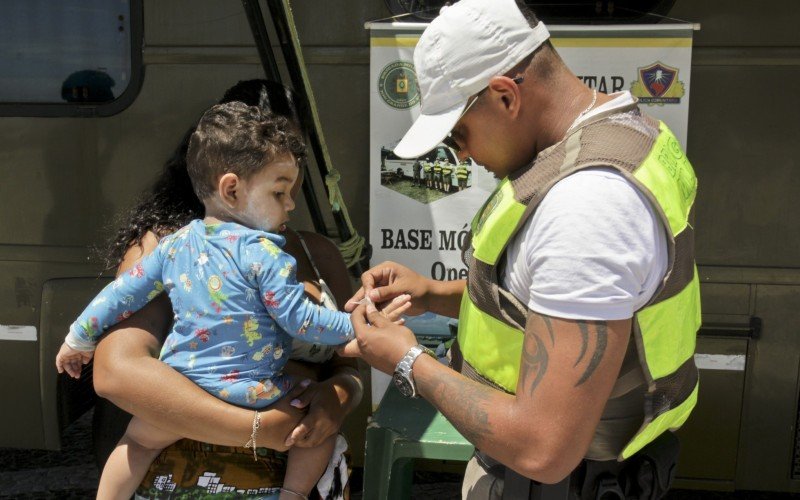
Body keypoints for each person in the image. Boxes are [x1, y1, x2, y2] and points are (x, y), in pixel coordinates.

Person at [341, 0, 700, 498]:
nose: (461, 153)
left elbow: (543, 450)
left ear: (506, 95)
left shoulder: (587, 207)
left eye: (458, 133)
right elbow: (548, 305)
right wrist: (431, 293)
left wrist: (407, 362)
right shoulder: (625, 131)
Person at [85, 80, 367, 500]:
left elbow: (347, 366)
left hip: (300, 471)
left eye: (298, 156)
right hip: (190, 478)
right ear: (233, 178)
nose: (293, 176)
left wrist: (337, 398)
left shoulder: (318, 252)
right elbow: (115, 373)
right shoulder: (171, 247)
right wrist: (258, 429)